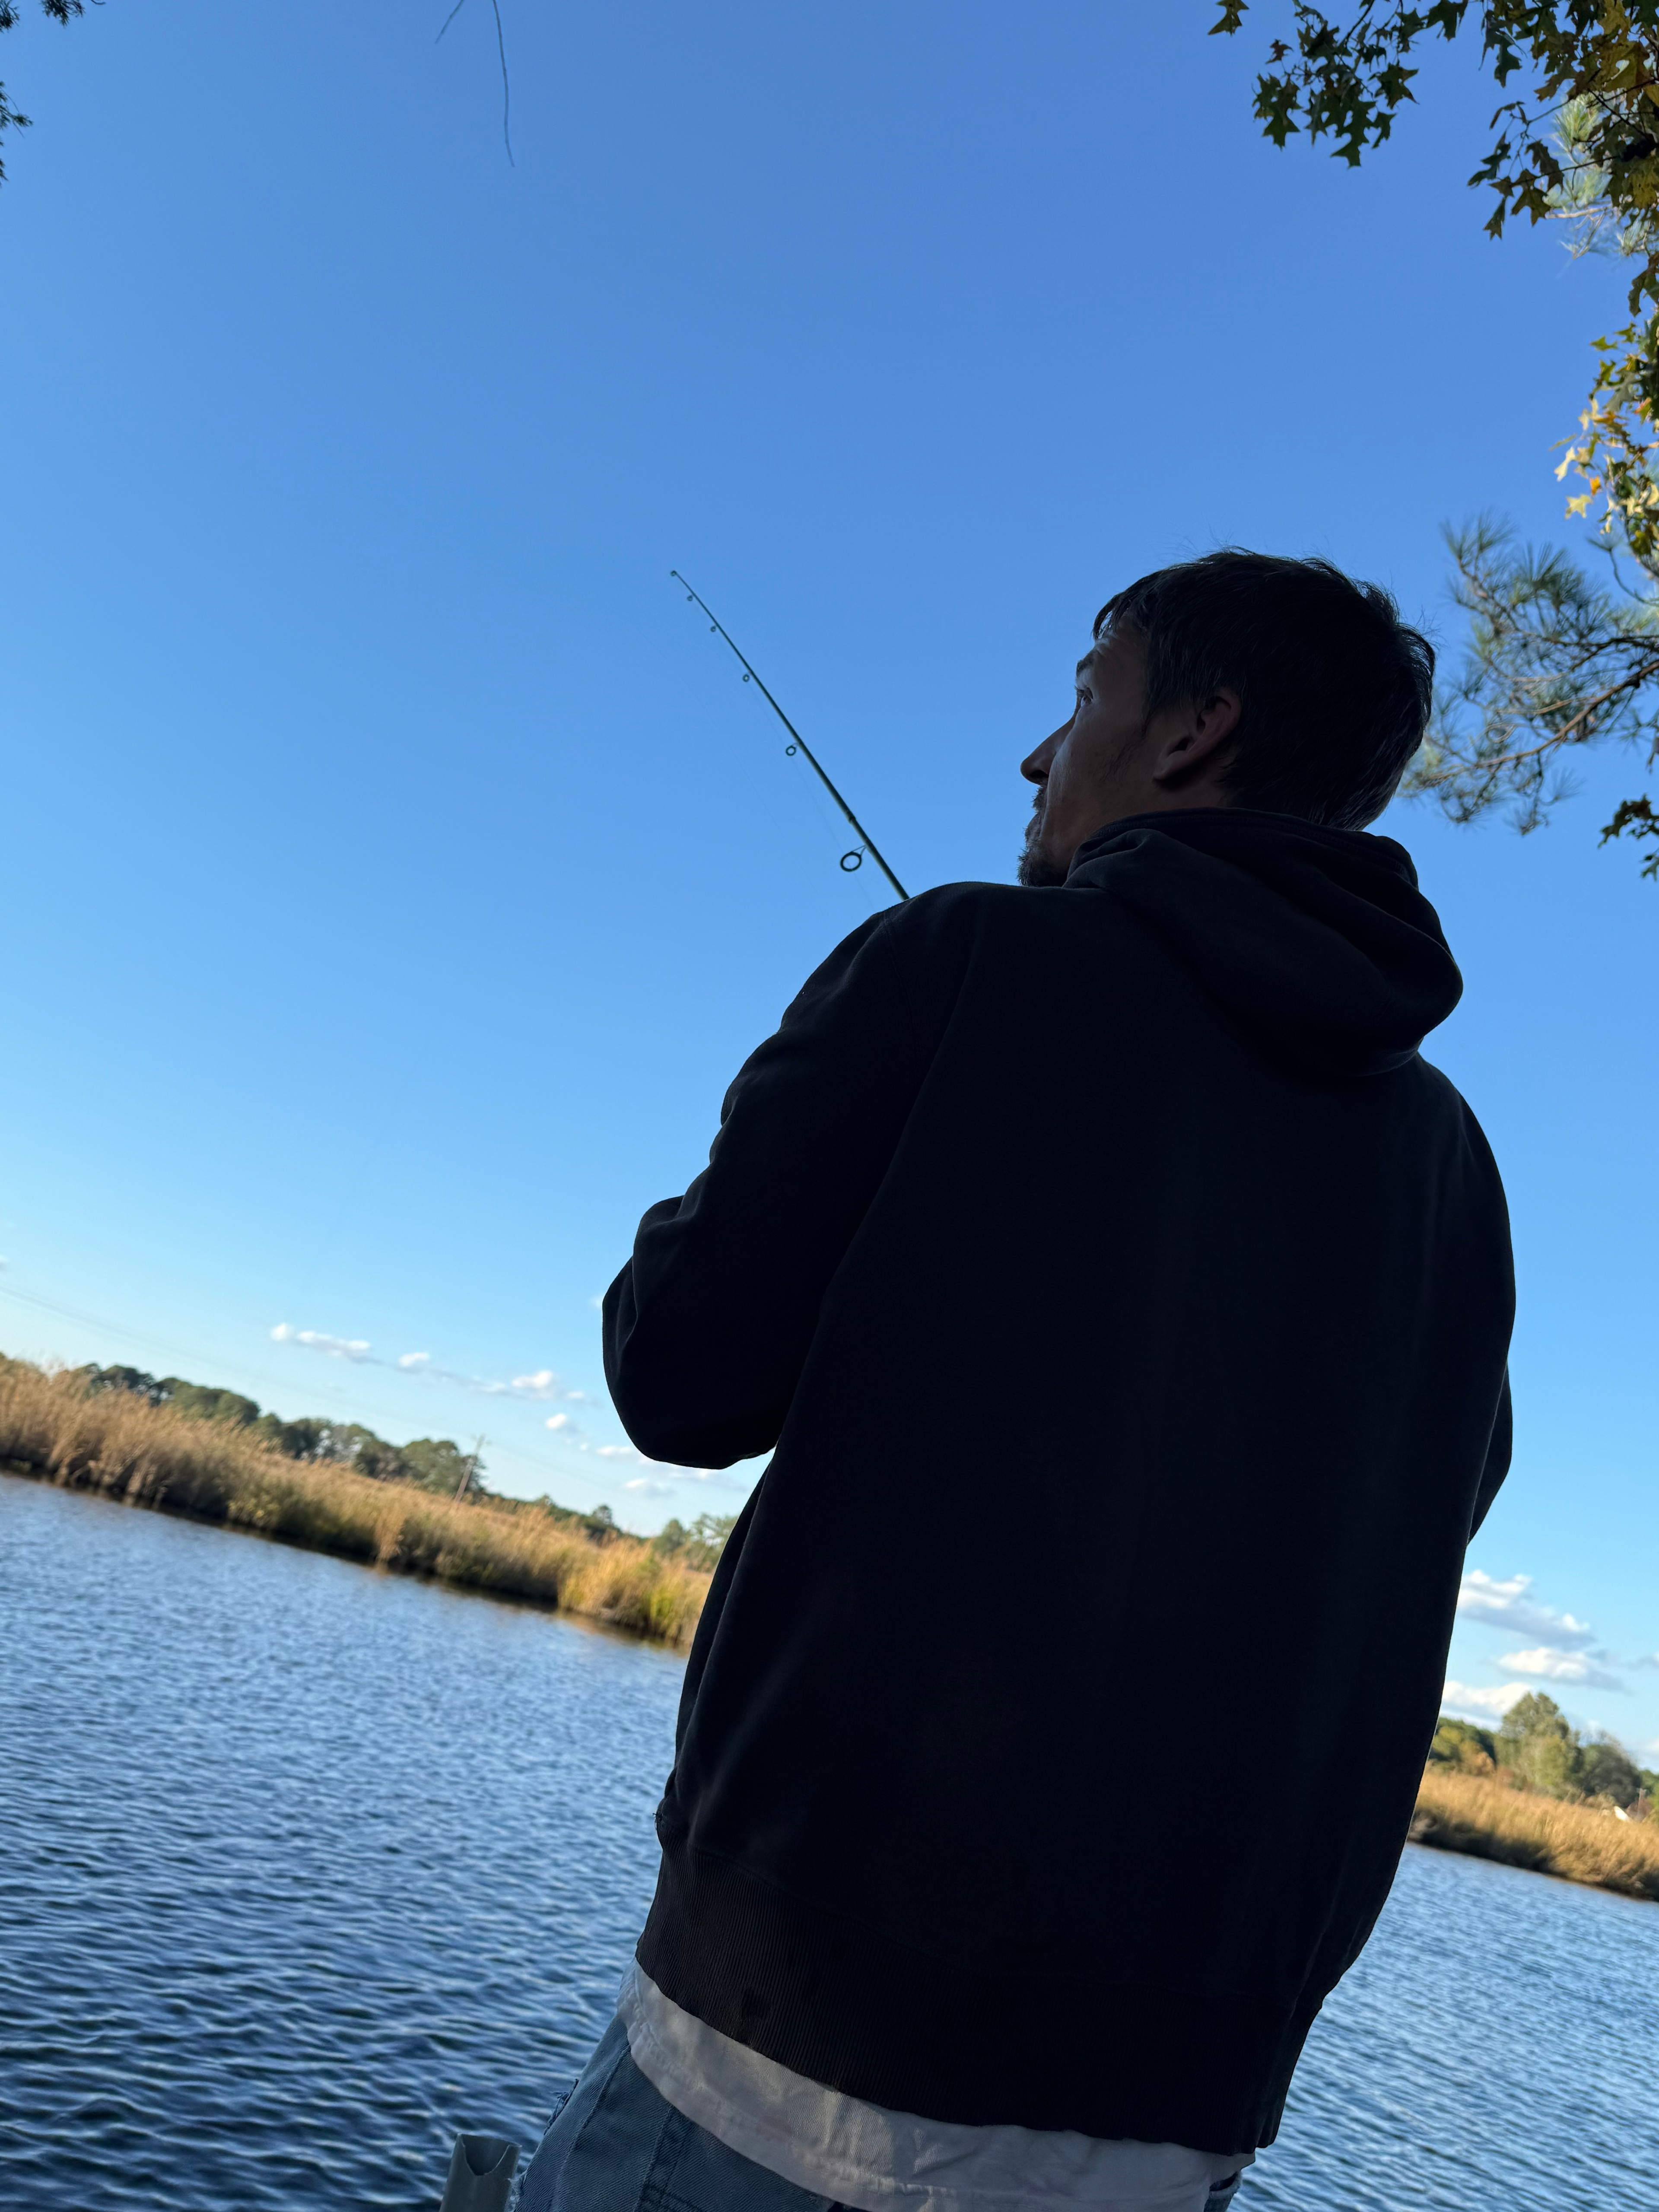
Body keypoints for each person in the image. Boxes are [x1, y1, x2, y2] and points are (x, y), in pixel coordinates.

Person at [516, 550, 1515, 2212]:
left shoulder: (957, 958)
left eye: (1084, 694)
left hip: (791, 2054)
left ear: (1195, 732)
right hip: (1176, 2125)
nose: (1041, 755)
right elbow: (1430, 1513)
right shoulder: (1454, 1166)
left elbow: (673, 1372)